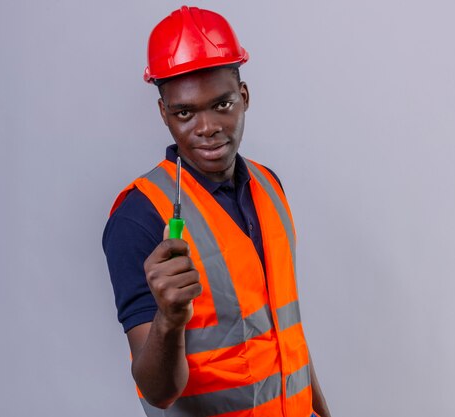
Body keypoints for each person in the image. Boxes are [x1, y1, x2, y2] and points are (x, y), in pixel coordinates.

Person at [103, 6, 331, 417]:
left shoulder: (268, 185)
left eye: (221, 105)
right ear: (164, 115)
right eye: (185, 113)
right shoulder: (139, 217)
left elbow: (286, 333)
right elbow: (157, 391)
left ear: (243, 98)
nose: (206, 127)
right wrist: (169, 320)